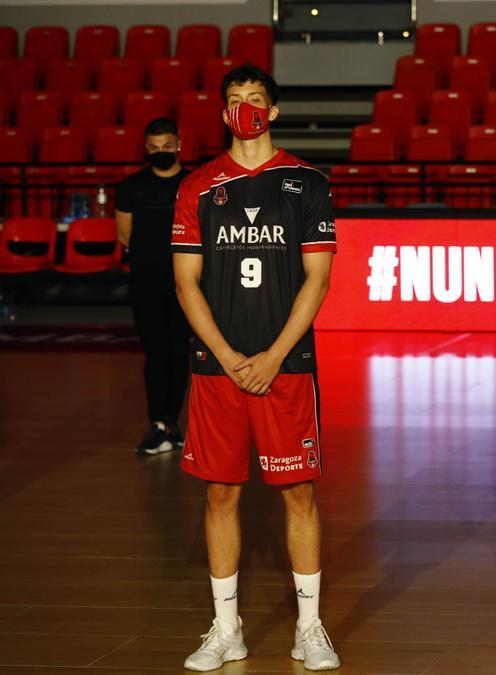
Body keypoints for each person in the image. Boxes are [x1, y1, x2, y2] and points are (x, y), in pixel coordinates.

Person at [171, 64, 340, 671]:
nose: (245, 108)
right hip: (217, 368)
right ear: (223, 114)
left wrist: (270, 357)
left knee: (299, 491)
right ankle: (225, 629)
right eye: (235, 100)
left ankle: (310, 628)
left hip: (286, 365)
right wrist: (228, 356)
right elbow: (186, 284)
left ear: (272, 112)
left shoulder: (305, 181)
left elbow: (317, 279)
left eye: (256, 100)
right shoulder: (197, 186)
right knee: (220, 493)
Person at [116, 118, 191, 455]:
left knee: (179, 352)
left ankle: (174, 423)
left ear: (178, 144)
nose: (161, 152)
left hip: (186, 285)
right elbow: (124, 235)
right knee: (155, 353)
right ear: (146, 149)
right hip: (145, 284)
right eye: (154, 148)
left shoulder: (193, 183)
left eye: (167, 146)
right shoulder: (131, 187)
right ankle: (157, 424)